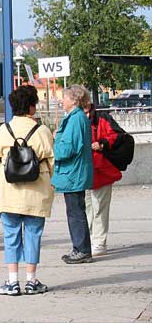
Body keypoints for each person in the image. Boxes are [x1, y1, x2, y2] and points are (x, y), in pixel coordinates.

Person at [0, 85, 55, 295]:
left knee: (11, 235)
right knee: (34, 234)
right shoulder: (42, 131)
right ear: (32, 107)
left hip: (9, 192)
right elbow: (51, 160)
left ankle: (12, 281)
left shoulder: (3, 129)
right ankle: (31, 280)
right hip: (35, 193)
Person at [53, 85, 94, 264]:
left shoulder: (76, 119)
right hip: (74, 172)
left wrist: (55, 142)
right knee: (76, 211)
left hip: (73, 173)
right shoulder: (76, 117)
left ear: (74, 100)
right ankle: (80, 248)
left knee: (75, 213)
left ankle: (81, 249)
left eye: (65, 97)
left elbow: (68, 149)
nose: (62, 100)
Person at [84, 103, 122, 257]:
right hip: (84, 170)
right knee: (87, 207)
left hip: (101, 168)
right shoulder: (73, 118)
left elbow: (116, 135)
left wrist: (102, 144)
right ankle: (91, 240)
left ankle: (98, 241)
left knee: (99, 207)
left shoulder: (102, 117)